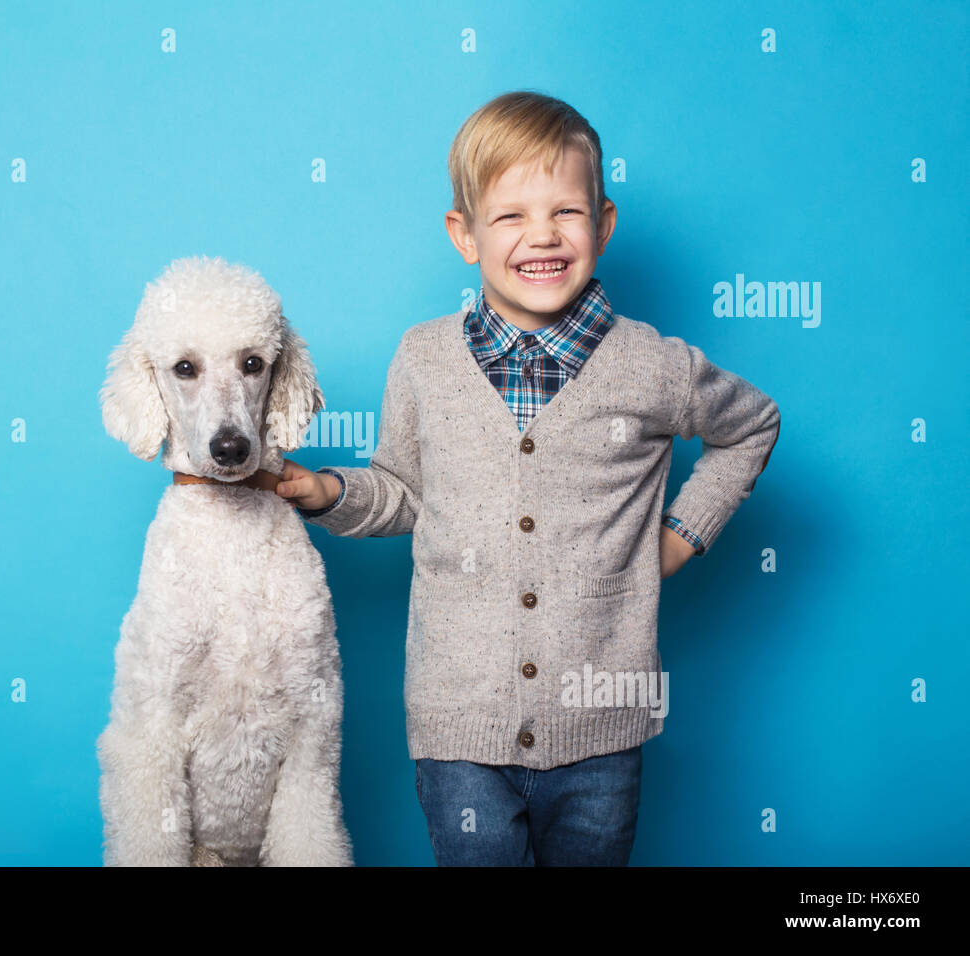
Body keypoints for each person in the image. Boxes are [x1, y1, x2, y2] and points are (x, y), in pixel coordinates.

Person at [274, 90, 780, 866]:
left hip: (603, 726)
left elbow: (752, 424)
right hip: (458, 727)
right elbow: (403, 489)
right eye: (510, 215)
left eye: (566, 213)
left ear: (603, 225)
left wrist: (681, 536)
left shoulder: (653, 364)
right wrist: (327, 493)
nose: (541, 235)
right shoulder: (423, 358)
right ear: (464, 234)